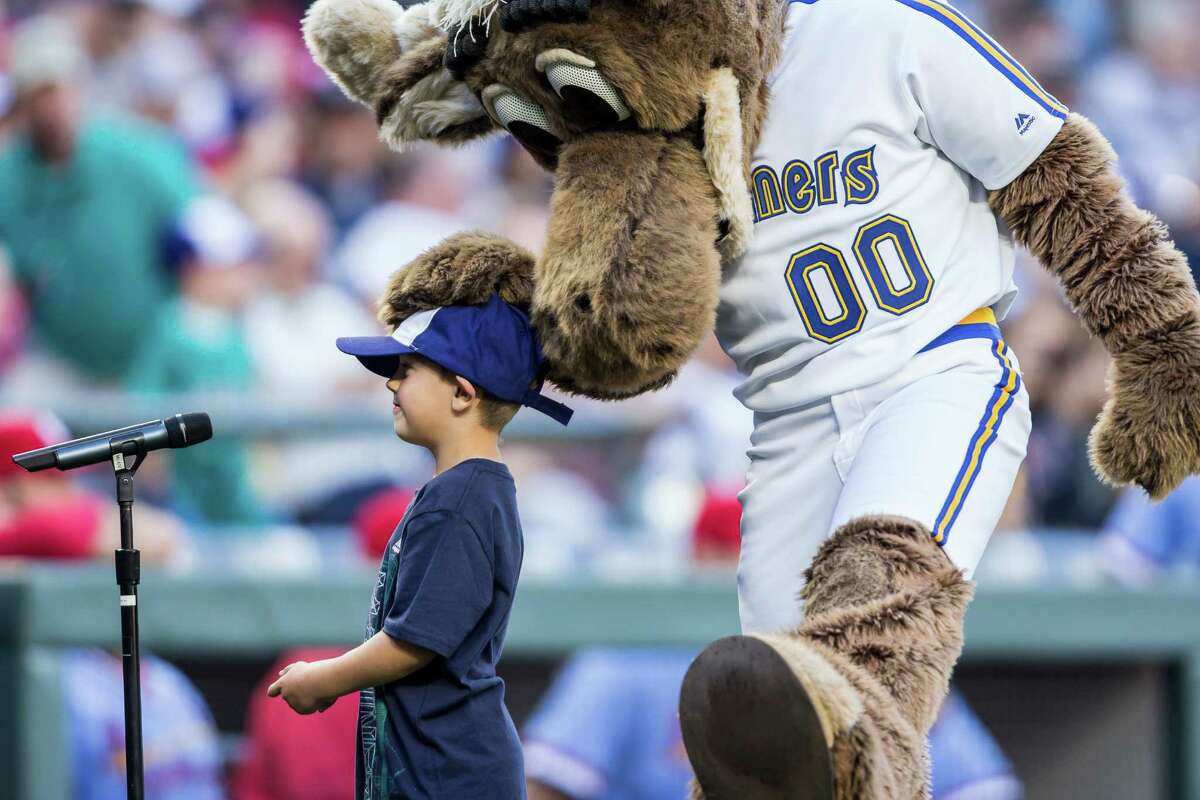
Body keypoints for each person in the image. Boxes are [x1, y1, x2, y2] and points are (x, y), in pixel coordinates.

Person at [266, 292, 574, 799]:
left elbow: (416, 642)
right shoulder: (466, 490)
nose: (390, 381)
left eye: (407, 369)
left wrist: (323, 679)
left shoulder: (459, 500)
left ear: (461, 393)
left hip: (449, 774)